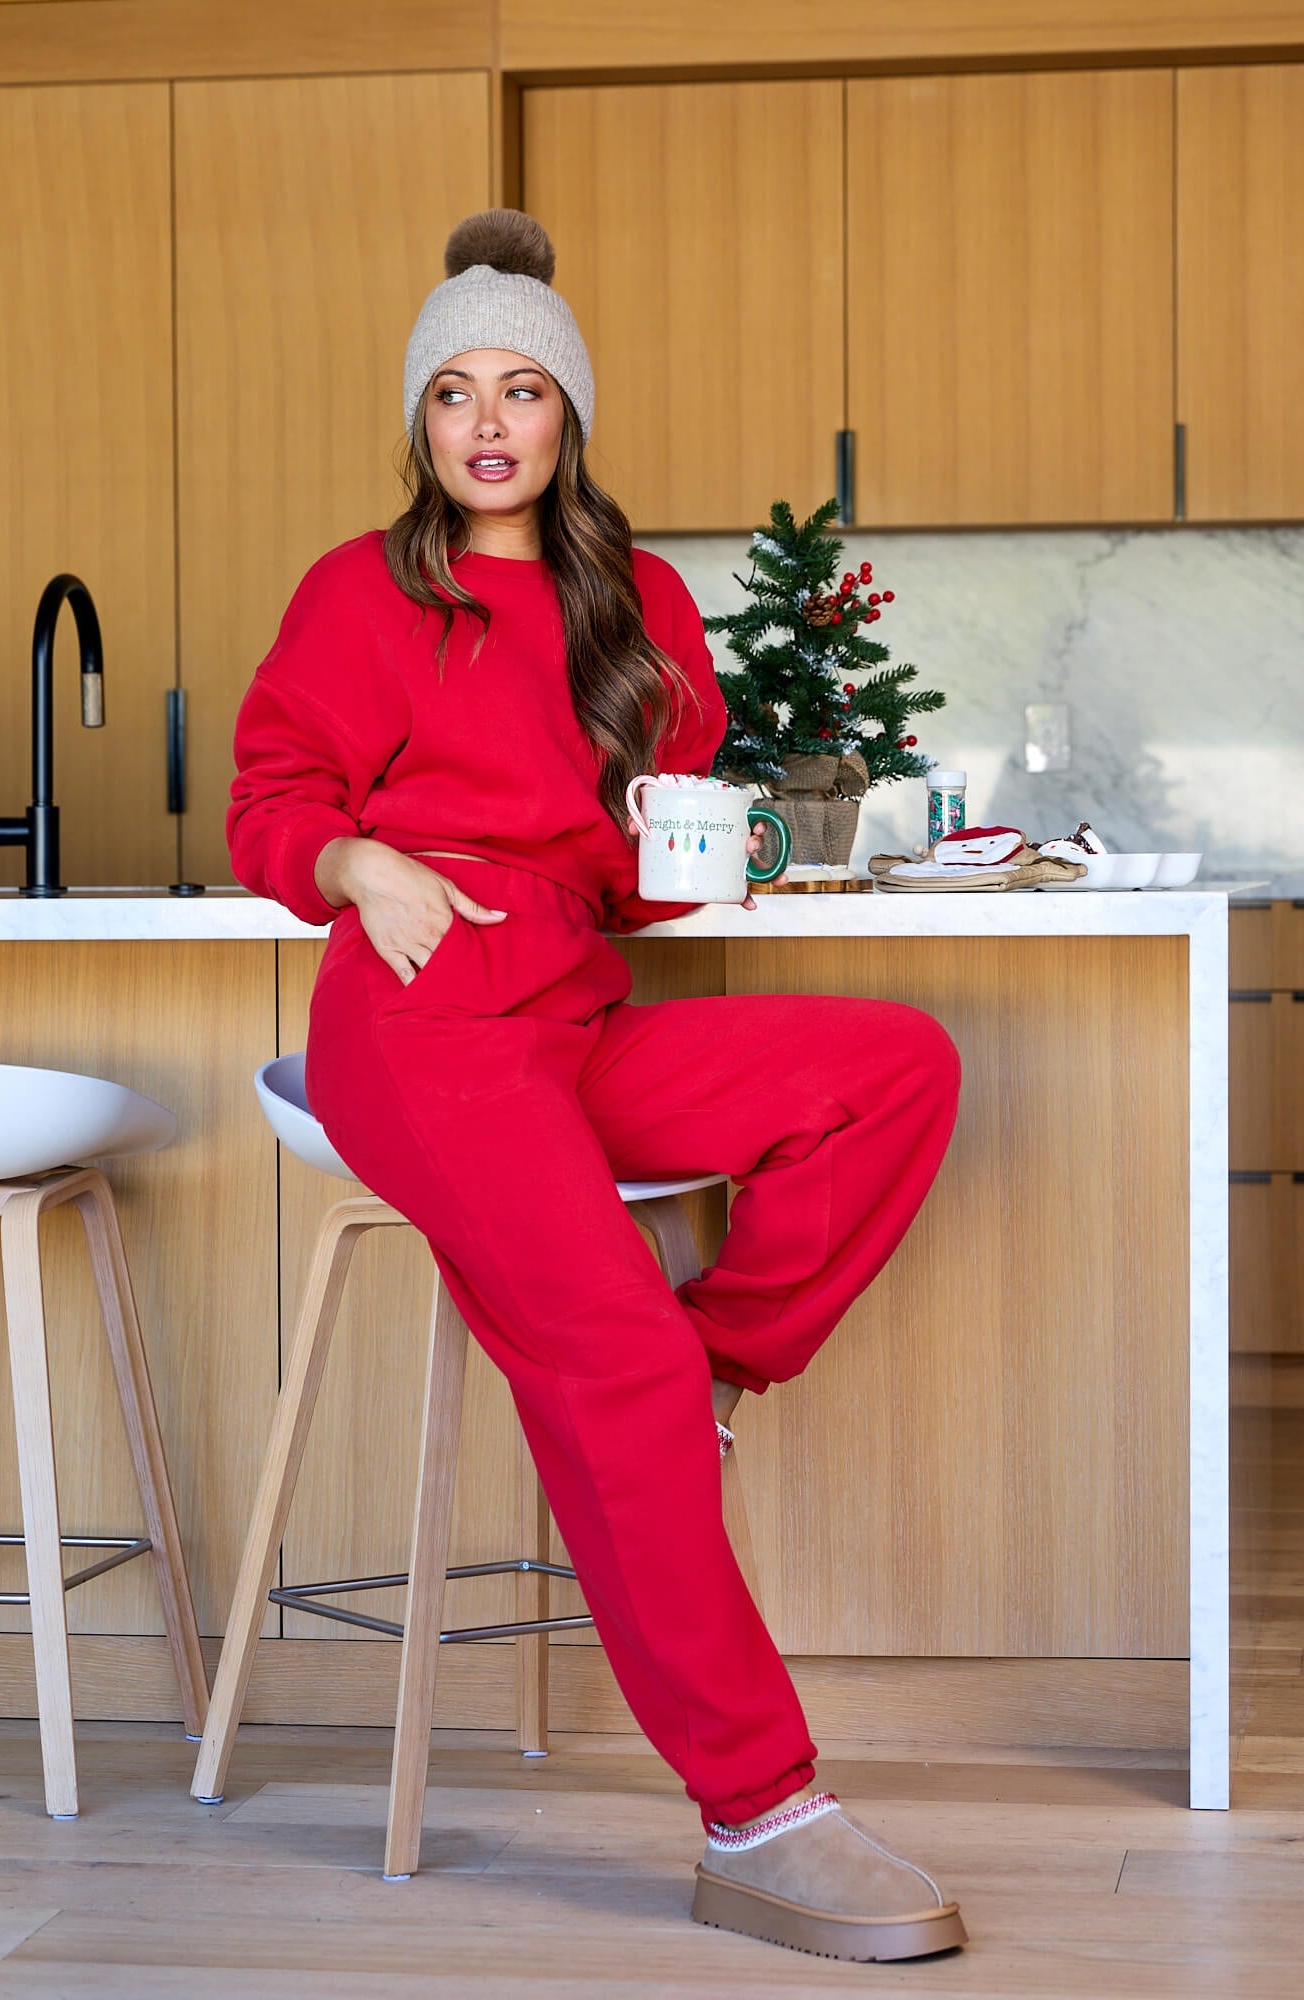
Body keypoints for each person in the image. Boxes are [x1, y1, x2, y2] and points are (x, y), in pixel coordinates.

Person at [226, 208, 966, 1965]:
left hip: (572, 1001)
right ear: (420, 421)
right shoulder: (360, 590)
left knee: (894, 1069)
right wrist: (354, 867)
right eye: (455, 394)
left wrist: (703, 842)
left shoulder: (628, 599)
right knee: (603, 1355)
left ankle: (720, 1359)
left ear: (567, 417)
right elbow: (267, 799)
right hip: (416, 1018)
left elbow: (649, 870)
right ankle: (761, 1810)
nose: (486, 424)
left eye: (523, 390)